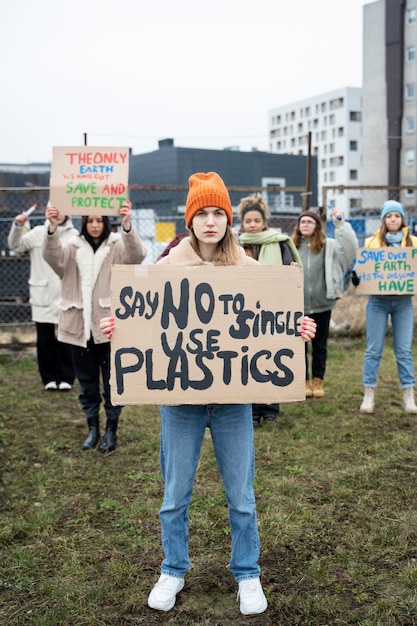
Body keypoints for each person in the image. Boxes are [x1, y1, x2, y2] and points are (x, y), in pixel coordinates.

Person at [100, 172, 316, 615]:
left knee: (241, 494)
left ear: (229, 219)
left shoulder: (250, 270)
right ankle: (173, 568)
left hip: (233, 403)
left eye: (219, 213)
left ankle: (247, 572)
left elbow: (274, 319)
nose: (212, 221)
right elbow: (141, 317)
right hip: (180, 403)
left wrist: (297, 330)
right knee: (175, 494)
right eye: (203, 213)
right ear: (191, 219)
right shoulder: (166, 268)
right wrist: (120, 330)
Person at [43, 201, 147, 452]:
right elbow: (53, 258)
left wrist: (126, 224)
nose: (95, 225)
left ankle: (111, 430)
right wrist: (52, 227)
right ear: (84, 223)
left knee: (112, 383)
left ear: (105, 222)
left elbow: (137, 256)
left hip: (110, 328)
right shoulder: (72, 247)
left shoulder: (117, 246)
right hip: (79, 329)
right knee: (87, 384)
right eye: (90, 220)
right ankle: (93, 429)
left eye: (99, 220)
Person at [237, 192, 302, 426]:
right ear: (242, 223)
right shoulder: (234, 245)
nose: (252, 225)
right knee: (248, 359)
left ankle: (271, 407)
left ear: (264, 221)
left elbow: (290, 273)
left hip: (272, 311)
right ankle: (252, 409)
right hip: (242, 312)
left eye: (256, 221)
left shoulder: (279, 243)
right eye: (247, 221)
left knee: (272, 358)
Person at [8, 207, 78, 391]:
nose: (58, 212)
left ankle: (66, 378)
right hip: (43, 293)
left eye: (62, 208)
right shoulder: (38, 232)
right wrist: (17, 226)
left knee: (67, 337)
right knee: (45, 337)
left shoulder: (75, 235)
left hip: (66, 293)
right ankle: (48, 378)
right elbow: (15, 245)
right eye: (54, 207)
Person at [291, 208, 357, 399]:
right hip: (298, 306)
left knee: (320, 346)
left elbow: (350, 246)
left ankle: (318, 381)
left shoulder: (329, 246)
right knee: (299, 346)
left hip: (322, 304)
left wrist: (340, 224)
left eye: (309, 222)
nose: (305, 225)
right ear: (298, 225)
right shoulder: (291, 246)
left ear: (317, 226)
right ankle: (302, 380)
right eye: (302, 222)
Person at [360, 200, 417, 414]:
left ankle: (408, 395)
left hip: (403, 302)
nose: (393, 219)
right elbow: (361, 269)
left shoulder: (413, 242)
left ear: (402, 219)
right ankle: (369, 394)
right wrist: (358, 278)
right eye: (389, 216)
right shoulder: (371, 242)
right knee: (373, 350)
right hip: (377, 302)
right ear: (384, 220)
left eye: (397, 216)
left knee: (403, 350)